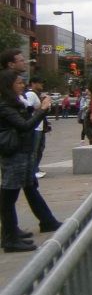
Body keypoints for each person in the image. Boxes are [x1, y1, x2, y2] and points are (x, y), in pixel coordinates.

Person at [0, 69, 61, 252]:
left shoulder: (16, 102)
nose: (22, 85)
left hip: (22, 153)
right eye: (18, 83)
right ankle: (10, 238)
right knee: (8, 196)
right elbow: (25, 126)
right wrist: (42, 110)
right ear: (9, 85)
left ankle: (12, 234)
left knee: (14, 194)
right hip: (13, 154)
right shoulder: (4, 105)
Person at [25, 77, 50, 178]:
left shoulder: (37, 94)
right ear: (33, 83)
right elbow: (29, 109)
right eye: (40, 83)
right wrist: (43, 105)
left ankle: (36, 168)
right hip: (35, 127)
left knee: (39, 148)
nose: (42, 85)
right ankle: (33, 170)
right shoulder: (30, 94)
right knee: (34, 150)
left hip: (39, 126)